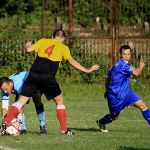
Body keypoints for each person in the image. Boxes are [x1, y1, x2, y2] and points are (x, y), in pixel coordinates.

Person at [0, 29, 99, 136]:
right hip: (47, 76)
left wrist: (28, 45)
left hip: (33, 73)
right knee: (59, 100)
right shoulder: (63, 47)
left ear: (52, 36)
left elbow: (29, 50)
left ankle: (5, 123)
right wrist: (87, 69)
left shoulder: (43, 41)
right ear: (63, 38)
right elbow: (71, 61)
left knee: (21, 100)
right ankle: (64, 130)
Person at [96, 45, 150, 133]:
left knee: (143, 106)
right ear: (120, 54)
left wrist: (106, 89)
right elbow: (136, 73)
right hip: (115, 96)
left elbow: (107, 77)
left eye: (128, 54)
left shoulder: (115, 64)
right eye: (124, 54)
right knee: (114, 117)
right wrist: (141, 65)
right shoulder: (122, 65)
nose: (127, 56)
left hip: (127, 93)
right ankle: (101, 122)